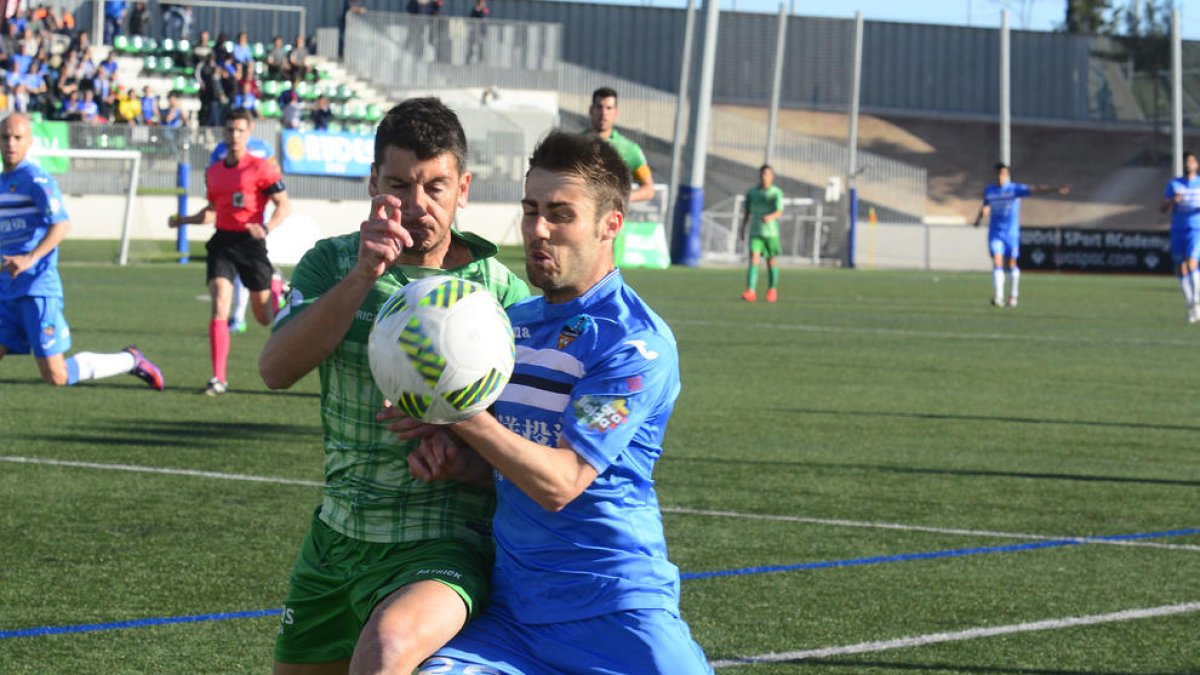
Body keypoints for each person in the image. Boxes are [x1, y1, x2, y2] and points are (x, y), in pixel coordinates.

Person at [399, 130, 711, 675]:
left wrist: (457, 410)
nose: (538, 230)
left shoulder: (634, 344)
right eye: (531, 210)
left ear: (610, 224)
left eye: (560, 214)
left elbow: (561, 483)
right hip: (515, 619)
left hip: (617, 613)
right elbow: (513, 463)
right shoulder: (506, 327)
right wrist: (459, 463)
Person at [258, 97, 530, 674]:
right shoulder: (332, 264)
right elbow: (275, 370)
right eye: (399, 185)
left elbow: (528, 446)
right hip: (337, 538)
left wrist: (462, 453)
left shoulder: (501, 294)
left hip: (443, 541)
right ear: (373, 184)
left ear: (463, 189)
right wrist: (364, 275)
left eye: (435, 186)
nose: (416, 204)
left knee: (386, 649)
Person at [0, 113, 163, 390]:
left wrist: (29, 258)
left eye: (18, 137)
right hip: (7, 289)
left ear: (29, 141)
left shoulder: (37, 180)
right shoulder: (3, 183)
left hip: (36, 289)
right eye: (5, 137)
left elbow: (62, 225)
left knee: (57, 376)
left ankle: (129, 360)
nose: (11, 143)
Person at [168, 109, 290, 396]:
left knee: (264, 317)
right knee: (221, 301)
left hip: (251, 244)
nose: (234, 135)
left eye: (240, 130)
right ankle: (218, 378)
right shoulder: (214, 172)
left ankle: (275, 287)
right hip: (222, 242)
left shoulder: (262, 168)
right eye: (230, 130)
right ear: (224, 133)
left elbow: (284, 205)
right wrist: (184, 220)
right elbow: (212, 211)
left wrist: (267, 227)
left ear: (249, 132)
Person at [973, 162, 1069, 308]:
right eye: (999, 174)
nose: (1001, 177)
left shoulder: (1014, 189)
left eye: (1003, 174)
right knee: (997, 262)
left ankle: (1013, 295)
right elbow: (986, 205)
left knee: (1012, 263)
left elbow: (1035, 189)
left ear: (1008, 175)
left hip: (1011, 234)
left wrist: (1055, 189)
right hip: (995, 233)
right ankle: (998, 296)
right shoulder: (989, 190)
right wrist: (980, 217)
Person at [587, 86, 655, 202]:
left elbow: (648, 189)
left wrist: (619, 199)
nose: (603, 113)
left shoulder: (629, 149)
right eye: (599, 107)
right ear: (591, 110)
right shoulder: (576, 143)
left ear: (616, 113)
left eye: (609, 108)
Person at [1161, 151, 1200, 322]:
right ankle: (1191, 304)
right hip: (1178, 230)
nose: (1188, 164)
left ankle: (1197, 300)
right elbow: (1162, 208)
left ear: (1197, 164)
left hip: (1196, 229)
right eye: (1186, 161)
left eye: (1191, 161)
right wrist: (1172, 201)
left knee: (1192, 263)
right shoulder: (1174, 184)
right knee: (1181, 267)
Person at [739, 164, 784, 303]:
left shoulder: (776, 193)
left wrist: (770, 217)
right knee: (754, 259)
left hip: (771, 233)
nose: (765, 177)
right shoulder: (752, 193)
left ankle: (772, 289)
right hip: (756, 231)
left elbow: (779, 211)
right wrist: (743, 227)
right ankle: (751, 291)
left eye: (768, 174)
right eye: (763, 174)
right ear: (760, 175)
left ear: (772, 176)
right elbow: (747, 212)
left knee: (771, 260)